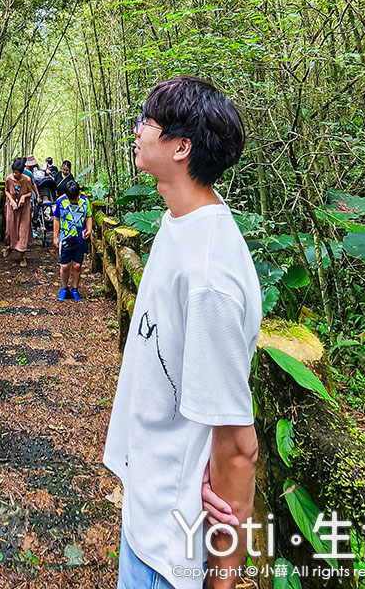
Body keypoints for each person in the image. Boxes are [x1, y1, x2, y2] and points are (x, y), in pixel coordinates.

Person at [103, 77, 261, 589]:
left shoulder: (210, 276)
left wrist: (221, 578)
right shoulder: (180, 223)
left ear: (180, 147)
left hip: (171, 551)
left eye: (147, 120)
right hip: (149, 508)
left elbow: (239, 448)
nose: (137, 130)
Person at [52, 176, 92, 302]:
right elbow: (56, 219)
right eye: (71, 199)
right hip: (65, 239)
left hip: (80, 239)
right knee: (64, 266)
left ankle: (75, 288)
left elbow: (89, 217)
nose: (73, 201)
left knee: (77, 265)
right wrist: (55, 236)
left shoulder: (85, 202)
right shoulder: (61, 202)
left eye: (74, 199)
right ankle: (64, 288)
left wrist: (89, 230)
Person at [4, 156, 33, 266]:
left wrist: (23, 197)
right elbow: (6, 191)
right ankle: (11, 247)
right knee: (11, 230)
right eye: (14, 172)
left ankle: (22, 256)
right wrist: (11, 200)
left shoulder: (27, 179)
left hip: (24, 209)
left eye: (17, 173)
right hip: (12, 209)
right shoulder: (8, 179)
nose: (15, 175)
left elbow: (30, 193)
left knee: (23, 231)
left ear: (22, 172)